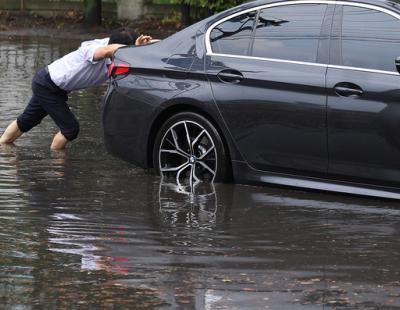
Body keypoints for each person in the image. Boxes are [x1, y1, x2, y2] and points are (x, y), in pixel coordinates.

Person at [0, 27, 152, 150]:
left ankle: (3, 148)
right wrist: (131, 50)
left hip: (52, 85)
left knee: (27, 120)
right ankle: (55, 164)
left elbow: (156, 46)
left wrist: (145, 45)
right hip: (47, 84)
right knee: (70, 129)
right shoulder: (96, 49)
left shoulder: (115, 49)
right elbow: (107, 51)